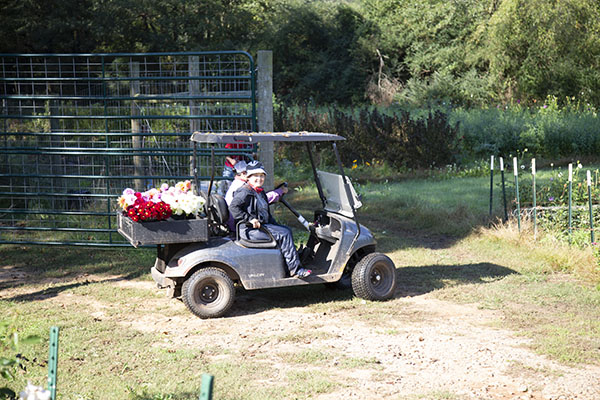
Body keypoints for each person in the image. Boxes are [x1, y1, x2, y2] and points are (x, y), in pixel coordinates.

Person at [229, 161, 311, 278]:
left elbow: (266, 214)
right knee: (285, 234)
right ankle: (296, 270)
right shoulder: (245, 191)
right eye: (256, 176)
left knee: (285, 230)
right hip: (249, 230)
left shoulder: (260, 192)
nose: (259, 178)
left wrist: (276, 225)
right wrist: (250, 219)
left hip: (261, 226)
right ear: (248, 177)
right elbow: (233, 207)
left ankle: (287, 266)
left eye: (262, 176)